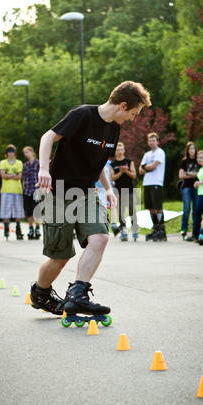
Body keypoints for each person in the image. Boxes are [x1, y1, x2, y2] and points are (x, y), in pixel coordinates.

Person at [30, 80, 151, 317]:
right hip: (59, 191)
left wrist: (107, 188)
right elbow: (47, 137)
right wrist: (44, 169)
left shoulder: (114, 128)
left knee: (101, 238)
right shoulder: (83, 115)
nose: (132, 119)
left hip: (87, 192)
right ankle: (40, 293)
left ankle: (77, 294)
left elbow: (99, 163)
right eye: (134, 114)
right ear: (122, 106)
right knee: (60, 257)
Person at [138, 132, 166, 242]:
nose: (151, 142)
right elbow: (141, 170)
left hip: (156, 182)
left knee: (158, 206)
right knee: (151, 207)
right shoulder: (147, 154)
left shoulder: (160, 153)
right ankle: (155, 228)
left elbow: (152, 166)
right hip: (147, 183)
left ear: (157, 141)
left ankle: (162, 230)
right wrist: (146, 167)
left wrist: (146, 167)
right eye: (150, 140)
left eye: (153, 140)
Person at [110, 141, 139, 241]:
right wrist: (121, 172)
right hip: (119, 191)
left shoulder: (129, 161)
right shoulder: (113, 164)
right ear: (115, 151)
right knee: (121, 212)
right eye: (118, 150)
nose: (120, 152)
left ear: (124, 150)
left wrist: (126, 171)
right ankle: (123, 230)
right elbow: (112, 178)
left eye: (121, 149)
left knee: (132, 210)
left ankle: (134, 228)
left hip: (130, 190)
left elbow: (134, 175)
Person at [0, 144, 25, 240]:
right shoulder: (3, 162)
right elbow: (3, 175)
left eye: (12, 151)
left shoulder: (19, 163)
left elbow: (20, 176)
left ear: (15, 153)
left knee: (18, 211)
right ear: (6, 153)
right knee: (5, 211)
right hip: (6, 190)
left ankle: (18, 229)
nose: (11, 153)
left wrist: (8, 175)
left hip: (17, 190)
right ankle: (6, 228)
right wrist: (13, 175)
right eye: (9, 151)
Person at [178, 142, 199, 240]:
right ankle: (184, 229)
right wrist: (193, 174)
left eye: (193, 149)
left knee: (196, 209)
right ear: (187, 150)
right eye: (190, 149)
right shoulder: (184, 162)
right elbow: (181, 175)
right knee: (186, 209)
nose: (192, 150)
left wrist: (188, 173)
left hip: (196, 187)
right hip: (186, 187)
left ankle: (195, 230)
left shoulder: (198, 160)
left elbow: (200, 174)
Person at [22, 146, 41, 239]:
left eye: (27, 152)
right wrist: (23, 189)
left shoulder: (39, 163)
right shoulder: (25, 165)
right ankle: (30, 228)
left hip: (37, 189)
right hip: (28, 190)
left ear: (32, 152)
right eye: (24, 153)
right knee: (28, 210)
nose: (25, 154)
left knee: (37, 210)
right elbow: (24, 179)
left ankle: (37, 227)